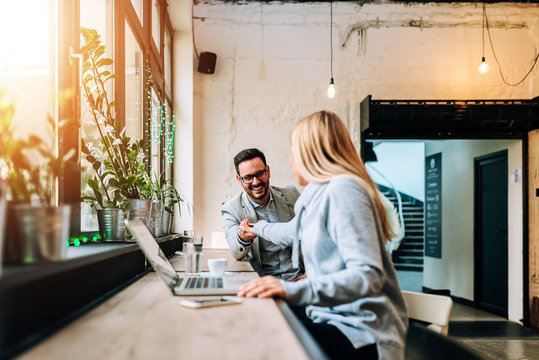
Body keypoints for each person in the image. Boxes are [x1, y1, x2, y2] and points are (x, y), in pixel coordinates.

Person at [237, 111, 408, 360]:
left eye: (293, 150)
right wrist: (256, 228)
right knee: (257, 316)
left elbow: (366, 276)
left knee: (260, 335)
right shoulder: (317, 192)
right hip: (330, 316)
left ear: (309, 153)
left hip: (360, 331)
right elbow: (292, 231)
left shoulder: (344, 190)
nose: (291, 159)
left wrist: (290, 289)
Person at [221, 148, 303, 281]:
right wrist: (242, 238)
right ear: (239, 179)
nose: (256, 182)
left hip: (300, 278)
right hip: (266, 283)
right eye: (248, 177)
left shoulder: (291, 194)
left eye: (260, 174)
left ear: (268, 171)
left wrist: (308, 276)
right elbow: (236, 252)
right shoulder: (231, 209)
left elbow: (311, 234)